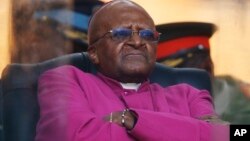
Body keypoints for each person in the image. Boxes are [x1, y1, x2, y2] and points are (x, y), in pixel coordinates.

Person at [35, 1, 228, 141]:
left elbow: (229, 135)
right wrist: (189, 131)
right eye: (120, 34)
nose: (137, 42)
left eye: (147, 34)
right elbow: (76, 137)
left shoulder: (188, 94)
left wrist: (131, 119)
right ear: (94, 53)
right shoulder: (67, 80)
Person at [156, 22, 250, 124]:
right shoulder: (149, 105)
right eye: (194, 62)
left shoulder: (239, 94)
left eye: (206, 59)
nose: (206, 65)